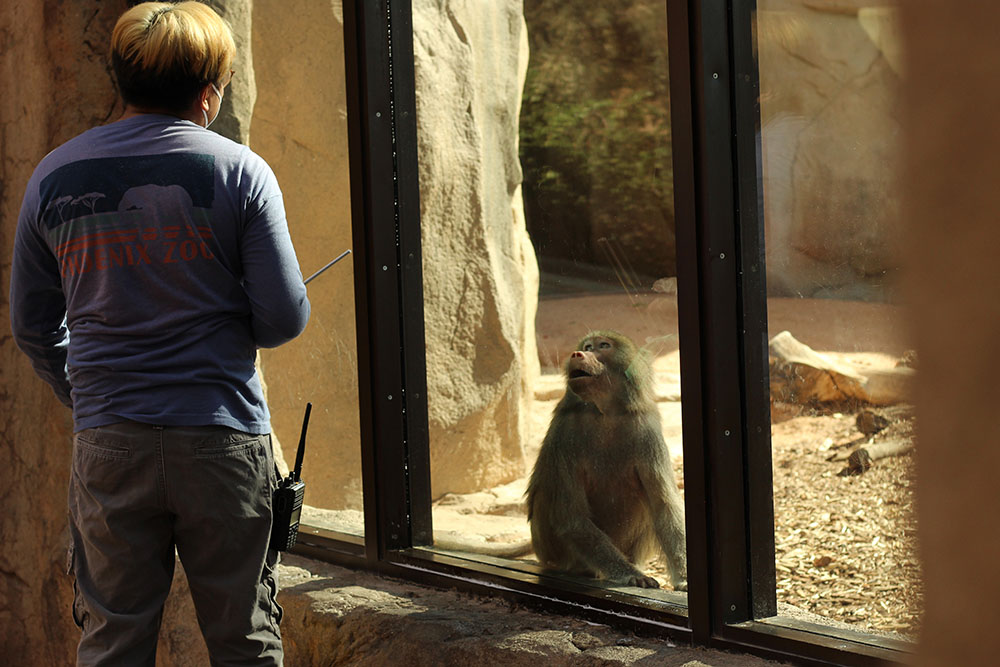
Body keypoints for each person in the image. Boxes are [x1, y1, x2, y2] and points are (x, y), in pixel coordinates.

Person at [8, 2, 309, 664]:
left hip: (111, 441)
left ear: (121, 79)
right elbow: (284, 318)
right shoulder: (240, 173)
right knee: (245, 640)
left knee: (113, 639)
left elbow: (32, 325)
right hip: (224, 441)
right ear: (208, 93)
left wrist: (88, 388)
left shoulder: (54, 176)